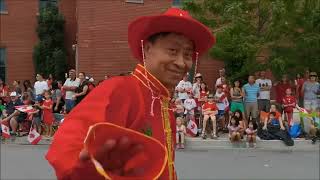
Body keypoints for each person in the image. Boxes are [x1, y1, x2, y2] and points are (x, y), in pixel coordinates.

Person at [46, 7, 215, 180]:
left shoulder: (163, 103)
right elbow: (67, 148)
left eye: (187, 55)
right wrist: (90, 169)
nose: (181, 62)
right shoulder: (119, 90)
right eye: (172, 51)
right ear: (147, 49)